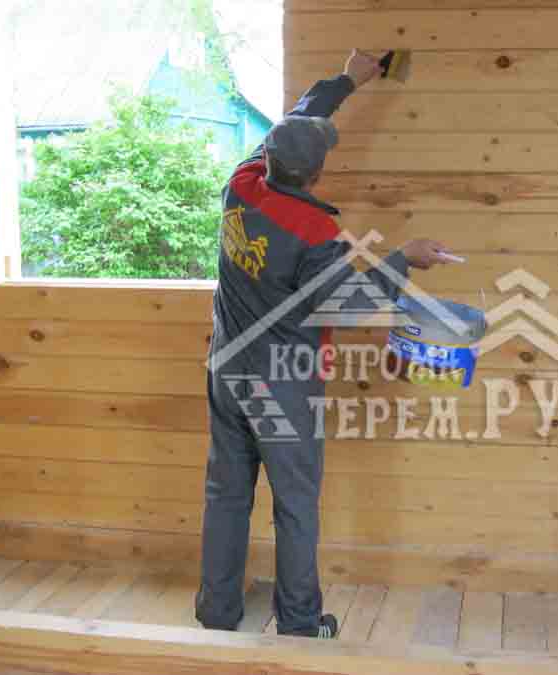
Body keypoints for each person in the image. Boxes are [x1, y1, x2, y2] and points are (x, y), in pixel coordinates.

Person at [195, 49, 452, 638]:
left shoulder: (241, 185)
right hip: (280, 385)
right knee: (295, 504)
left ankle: (216, 612)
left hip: (225, 370)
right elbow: (350, 304)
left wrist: (347, 80)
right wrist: (404, 258)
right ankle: (300, 624)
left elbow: (297, 117)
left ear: (269, 158)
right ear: (314, 177)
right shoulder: (313, 231)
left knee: (226, 495)